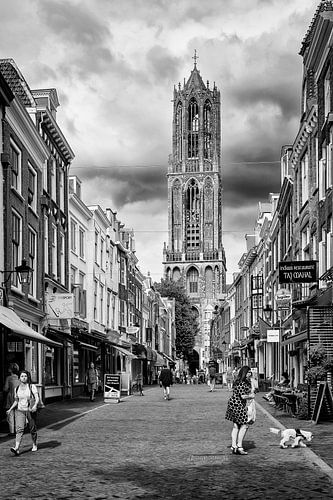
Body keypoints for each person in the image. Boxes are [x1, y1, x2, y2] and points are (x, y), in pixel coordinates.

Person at [6, 370, 39, 455]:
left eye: (25, 376)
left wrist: (35, 405)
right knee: (19, 429)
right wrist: (10, 409)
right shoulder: (16, 388)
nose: (23, 378)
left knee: (32, 429)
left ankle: (34, 444)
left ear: (28, 377)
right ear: (19, 378)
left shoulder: (32, 386)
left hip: (30, 410)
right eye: (22, 376)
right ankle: (16, 448)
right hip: (20, 410)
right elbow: (16, 401)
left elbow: (37, 398)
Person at [225, 365, 255, 455]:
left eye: (251, 372)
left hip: (233, 404)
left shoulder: (239, 381)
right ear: (245, 373)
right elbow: (243, 396)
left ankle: (234, 446)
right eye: (249, 372)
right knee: (244, 425)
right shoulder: (242, 383)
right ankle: (239, 446)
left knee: (236, 426)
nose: (250, 374)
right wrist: (251, 396)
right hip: (238, 405)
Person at [3, 363, 20, 436]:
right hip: (18, 397)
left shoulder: (8, 378)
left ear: (11, 369)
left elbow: (5, 389)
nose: (8, 369)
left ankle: (12, 431)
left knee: (10, 414)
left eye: (9, 368)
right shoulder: (19, 378)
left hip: (11, 397)